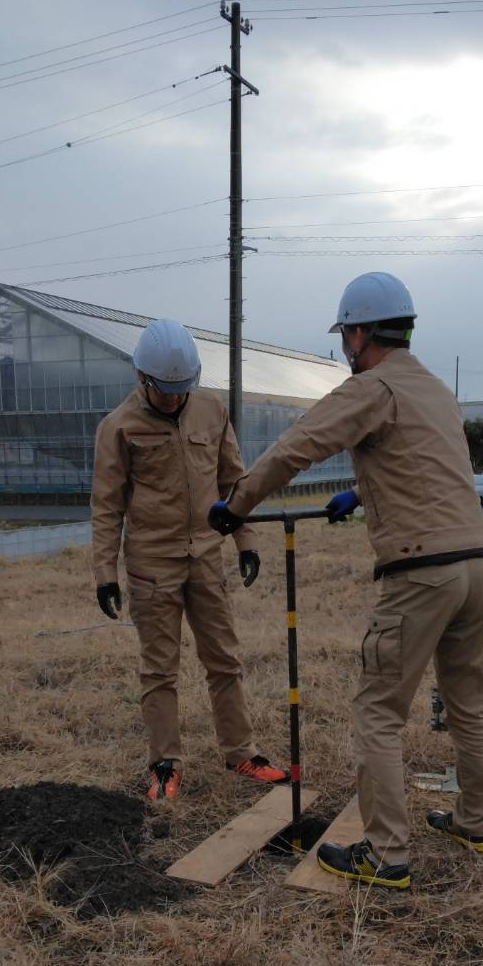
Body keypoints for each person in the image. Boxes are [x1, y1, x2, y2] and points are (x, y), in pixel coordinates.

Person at [209, 274, 483, 888]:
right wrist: (361, 490)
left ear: (360, 333)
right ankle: (476, 820)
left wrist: (236, 506)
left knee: (377, 713)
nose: (347, 347)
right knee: (469, 702)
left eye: (347, 336)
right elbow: (420, 465)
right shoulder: (436, 391)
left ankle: (386, 856)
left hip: (421, 573)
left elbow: (295, 448)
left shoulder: (372, 386)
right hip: (476, 566)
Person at [92, 318, 289, 800]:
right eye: (166, 392)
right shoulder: (118, 427)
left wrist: (245, 541)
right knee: (159, 670)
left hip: (205, 557)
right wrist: (105, 574)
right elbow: (106, 506)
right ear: (142, 379)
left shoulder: (211, 410)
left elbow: (234, 482)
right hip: (151, 566)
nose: (175, 400)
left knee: (225, 659)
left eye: (183, 390)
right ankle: (164, 764)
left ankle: (241, 753)